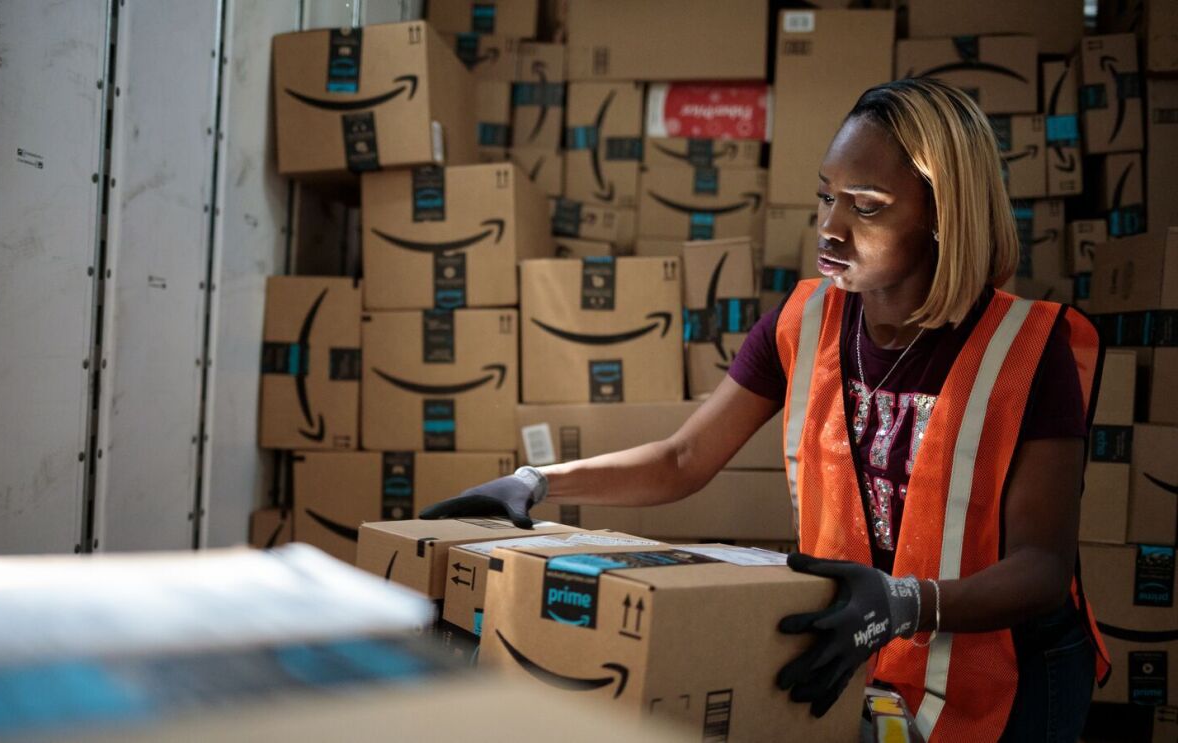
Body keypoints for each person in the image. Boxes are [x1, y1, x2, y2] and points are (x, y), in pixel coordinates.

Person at [422, 78, 1110, 742]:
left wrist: (906, 603)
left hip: (1008, 676)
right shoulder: (805, 319)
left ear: (942, 217)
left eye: (865, 207)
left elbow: (1042, 568)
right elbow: (683, 458)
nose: (830, 227)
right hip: (870, 650)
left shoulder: (1028, 347)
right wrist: (538, 481)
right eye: (825, 196)